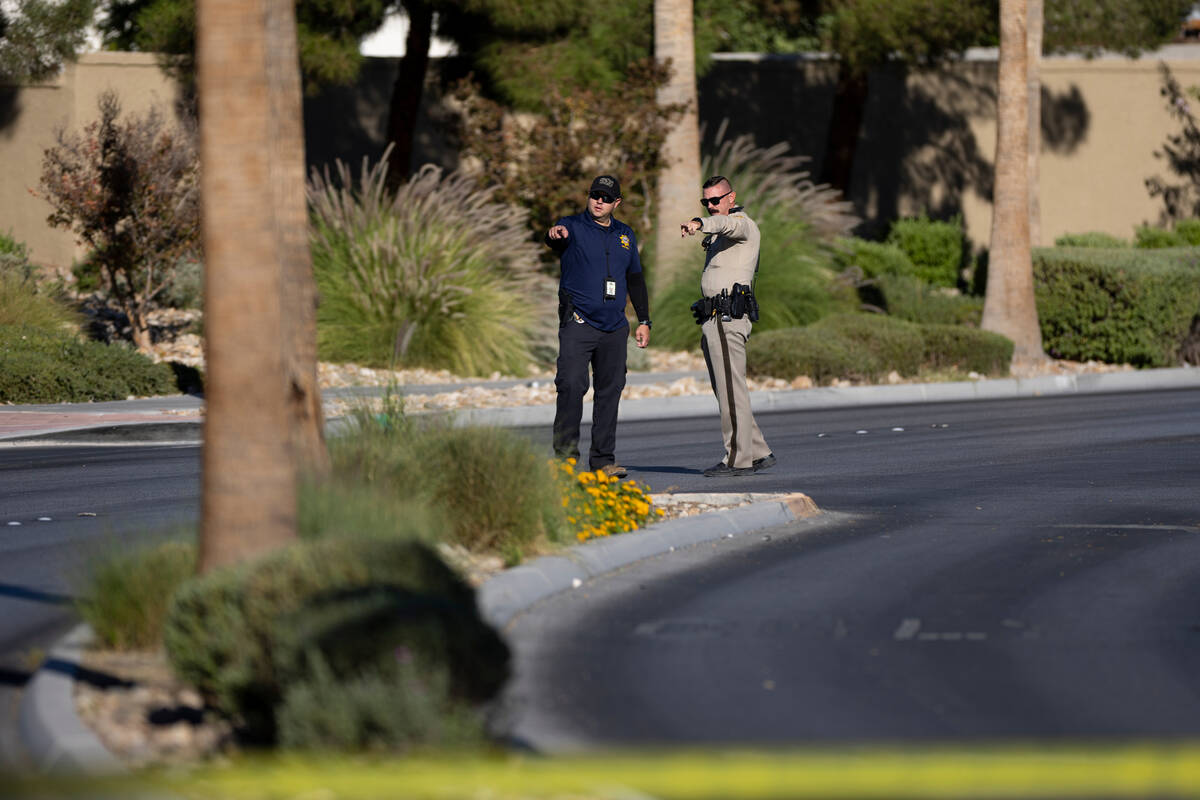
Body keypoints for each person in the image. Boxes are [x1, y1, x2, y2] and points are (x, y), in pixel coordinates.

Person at [546, 175, 651, 478]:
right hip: (578, 323)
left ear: (616, 202)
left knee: (610, 391)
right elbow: (555, 237)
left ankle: (603, 461)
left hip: (615, 327)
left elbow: (635, 279)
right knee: (570, 385)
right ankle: (564, 460)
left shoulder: (625, 235)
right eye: (595, 195)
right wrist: (554, 234)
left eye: (606, 197)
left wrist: (644, 320)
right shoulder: (573, 226)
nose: (599, 201)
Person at [680, 175, 775, 477]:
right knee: (728, 390)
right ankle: (758, 451)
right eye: (705, 202)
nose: (711, 206)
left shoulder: (741, 224)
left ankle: (737, 458)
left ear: (731, 198)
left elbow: (725, 224)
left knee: (732, 390)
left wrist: (699, 222)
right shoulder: (720, 233)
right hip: (714, 319)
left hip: (727, 319)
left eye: (716, 200)